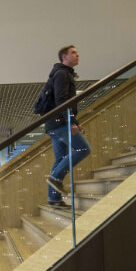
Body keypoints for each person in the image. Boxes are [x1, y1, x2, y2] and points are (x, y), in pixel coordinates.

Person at [44, 45, 91, 207]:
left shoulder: (62, 73)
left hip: (53, 123)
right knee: (83, 149)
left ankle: (54, 199)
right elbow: (62, 101)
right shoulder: (62, 74)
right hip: (60, 122)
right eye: (73, 53)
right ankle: (55, 178)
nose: (77, 55)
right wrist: (71, 122)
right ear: (64, 57)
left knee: (61, 158)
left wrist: (75, 121)